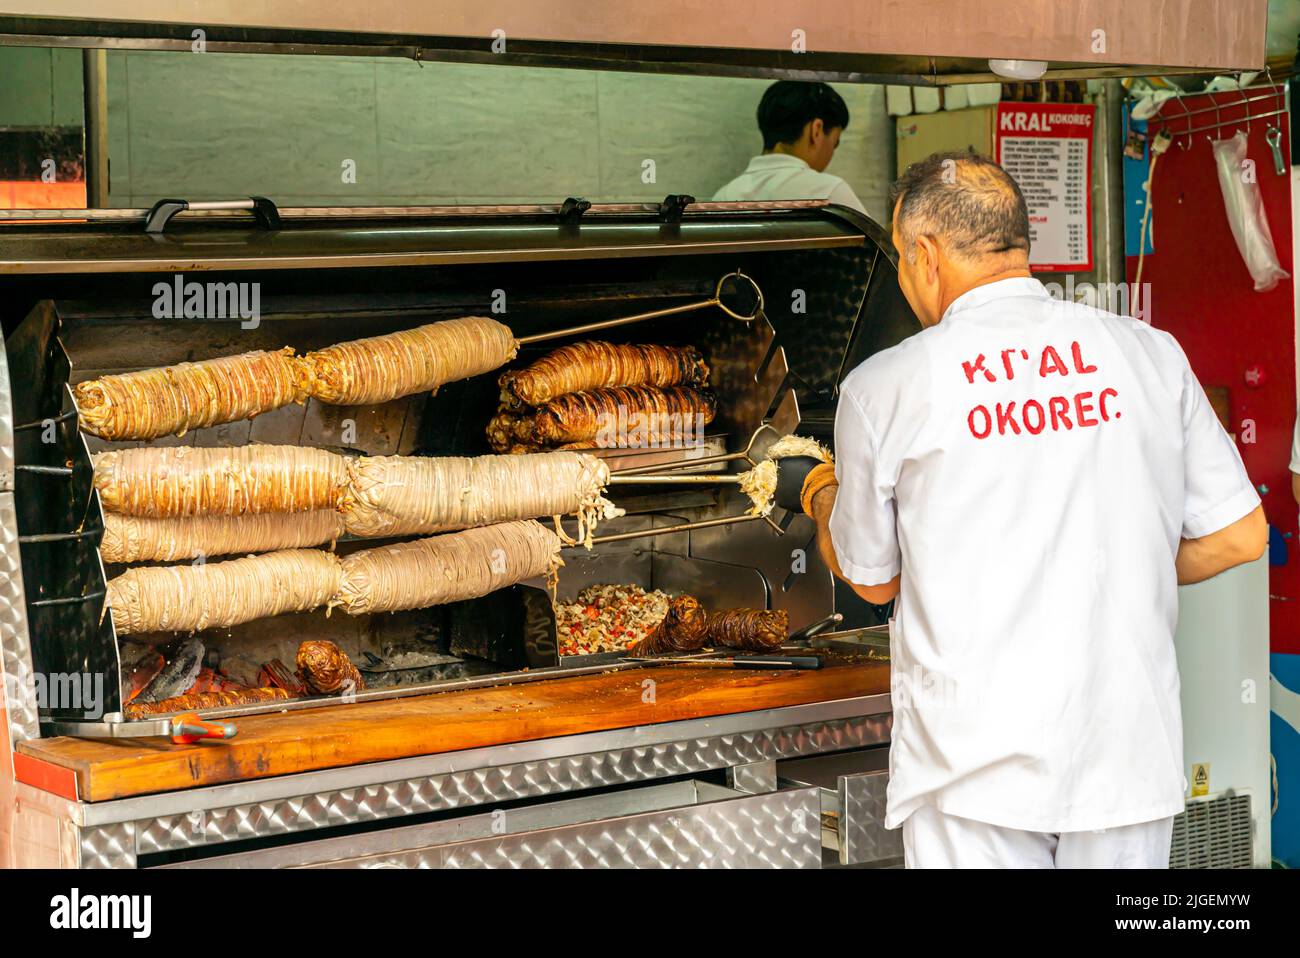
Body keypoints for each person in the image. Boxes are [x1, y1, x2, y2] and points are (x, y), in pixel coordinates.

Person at [785, 151, 1267, 868]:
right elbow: (1240, 537)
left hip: (972, 775)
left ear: (922, 254)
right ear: (1016, 243)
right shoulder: (1147, 352)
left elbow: (873, 580)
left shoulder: (885, 385)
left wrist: (820, 492)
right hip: (1127, 758)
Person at [712, 80, 867, 214]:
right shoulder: (829, 193)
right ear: (817, 131)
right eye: (835, 143)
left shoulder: (724, 197)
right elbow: (877, 247)